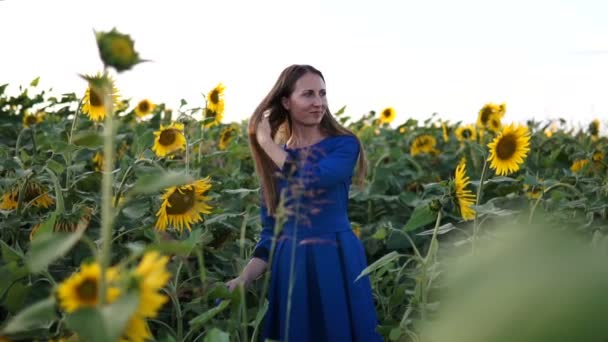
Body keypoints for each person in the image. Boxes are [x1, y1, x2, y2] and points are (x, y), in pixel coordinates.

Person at [225, 64, 382, 342]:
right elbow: (270, 236)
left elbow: (312, 178)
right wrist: (244, 279)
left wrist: (267, 143)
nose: (318, 102)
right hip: (291, 266)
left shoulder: (344, 145)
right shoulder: (275, 163)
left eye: (322, 94)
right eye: (308, 94)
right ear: (286, 101)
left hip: (336, 257)